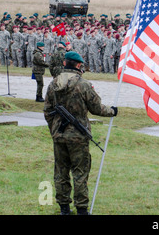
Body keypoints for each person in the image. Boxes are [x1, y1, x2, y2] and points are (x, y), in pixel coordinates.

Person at [44, 51, 118, 215]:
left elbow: (47, 110)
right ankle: (82, 209)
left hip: (59, 136)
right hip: (78, 136)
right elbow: (97, 108)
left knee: (61, 172)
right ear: (78, 65)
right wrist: (112, 111)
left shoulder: (53, 83)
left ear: (64, 64)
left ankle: (64, 208)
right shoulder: (83, 84)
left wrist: (54, 129)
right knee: (80, 172)